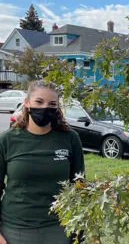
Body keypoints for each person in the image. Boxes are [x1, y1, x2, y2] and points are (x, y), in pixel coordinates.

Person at [0, 80, 85, 244]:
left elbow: (79, 185)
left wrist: (79, 229)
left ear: (57, 107)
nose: (45, 107)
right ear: (27, 103)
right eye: (39, 101)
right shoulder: (7, 140)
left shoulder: (70, 138)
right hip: (16, 228)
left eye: (52, 103)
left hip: (59, 228)